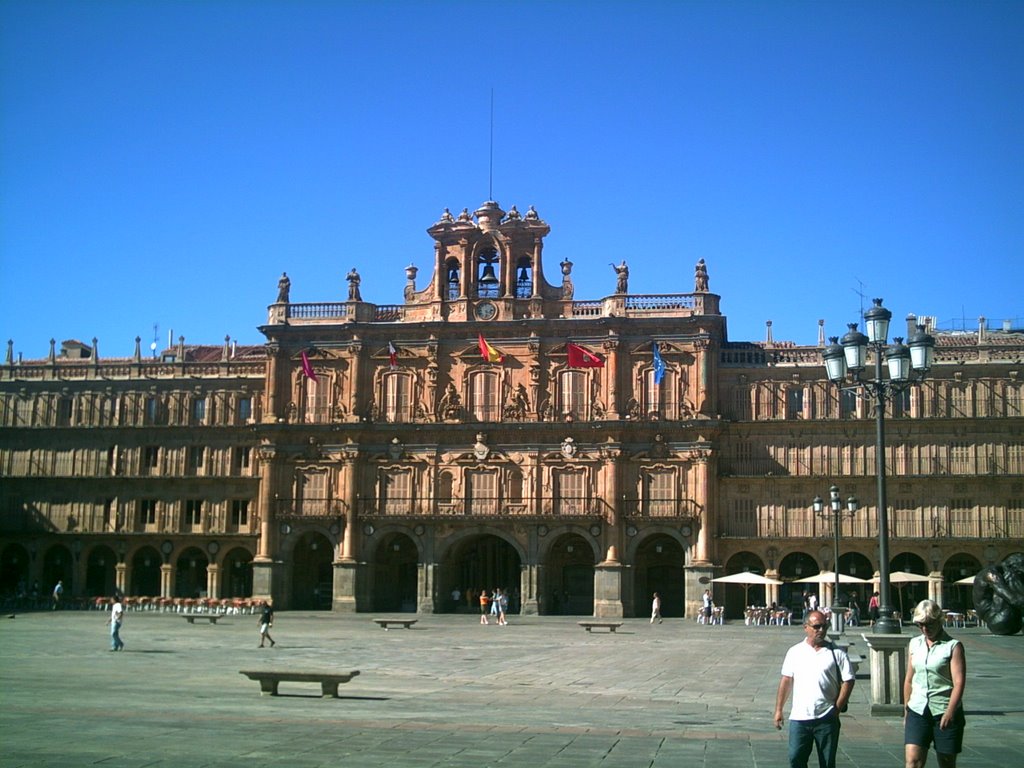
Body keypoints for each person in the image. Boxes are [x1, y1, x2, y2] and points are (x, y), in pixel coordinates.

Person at [774, 610, 855, 768]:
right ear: (806, 627)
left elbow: (849, 680)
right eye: (817, 626)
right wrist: (779, 709)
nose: (822, 630)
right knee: (795, 758)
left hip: (826, 717)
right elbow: (786, 680)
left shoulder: (836, 653)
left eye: (825, 626)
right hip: (799, 718)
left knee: (827, 762)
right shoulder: (795, 652)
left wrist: (837, 709)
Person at [903, 599, 966, 768]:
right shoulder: (915, 643)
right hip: (918, 709)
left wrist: (950, 712)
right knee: (912, 762)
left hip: (944, 709)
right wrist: (906, 709)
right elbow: (909, 678)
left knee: (946, 763)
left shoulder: (953, 646)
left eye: (929, 624)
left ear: (939, 620)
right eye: (920, 625)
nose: (925, 629)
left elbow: (959, 683)